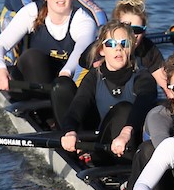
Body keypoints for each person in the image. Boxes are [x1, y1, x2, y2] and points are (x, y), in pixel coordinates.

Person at [0, 0, 98, 115]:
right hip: (29, 84)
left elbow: (80, 50)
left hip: (63, 85)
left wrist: (65, 73)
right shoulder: (32, 12)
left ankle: (58, 118)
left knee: (63, 86)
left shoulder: (83, 21)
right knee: (32, 57)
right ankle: (42, 115)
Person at [57, 22, 160, 167]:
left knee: (125, 108)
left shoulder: (143, 76)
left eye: (124, 43)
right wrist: (70, 131)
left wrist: (126, 132)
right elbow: (78, 105)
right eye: (111, 43)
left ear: (131, 48)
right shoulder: (94, 76)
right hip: (103, 147)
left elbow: (144, 101)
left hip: (133, 145)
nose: (118, 48)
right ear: (101, 50)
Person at [109, 0, 168, 94]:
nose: (132, 34)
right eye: (127, 28)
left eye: (137, 30)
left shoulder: (148, 49)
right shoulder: (104, 47)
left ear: (144, 31)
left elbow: (167, 87)